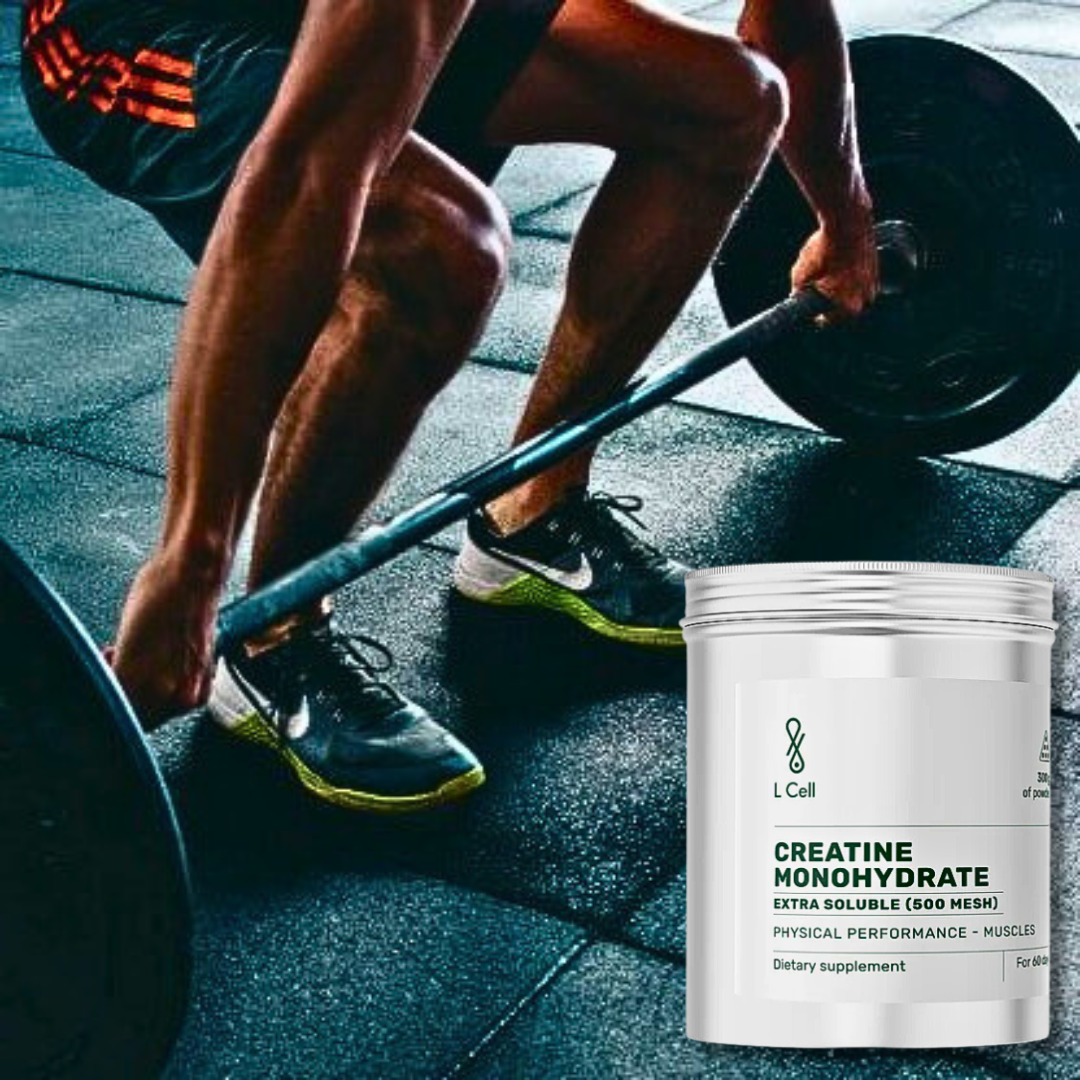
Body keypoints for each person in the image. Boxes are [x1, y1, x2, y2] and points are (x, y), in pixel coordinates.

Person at [21, 0, 878, 811]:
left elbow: (791, 28)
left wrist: (845, 221)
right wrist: (190, 560)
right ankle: (274, 640)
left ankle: (533, 512)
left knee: (728, 100)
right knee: (441, 245)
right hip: (132, 31)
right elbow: (310, 169)